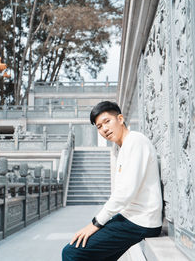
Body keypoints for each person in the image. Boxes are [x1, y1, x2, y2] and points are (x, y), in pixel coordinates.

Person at [62, 101, 163, 260]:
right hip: (131, 218)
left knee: (72, 252)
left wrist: (95, 223)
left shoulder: (135, 141)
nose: (104, 129)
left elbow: (125, 192)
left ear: (120, 119)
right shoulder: (125, 146)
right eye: (99, 127)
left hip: (141, 221)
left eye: (107, 121)